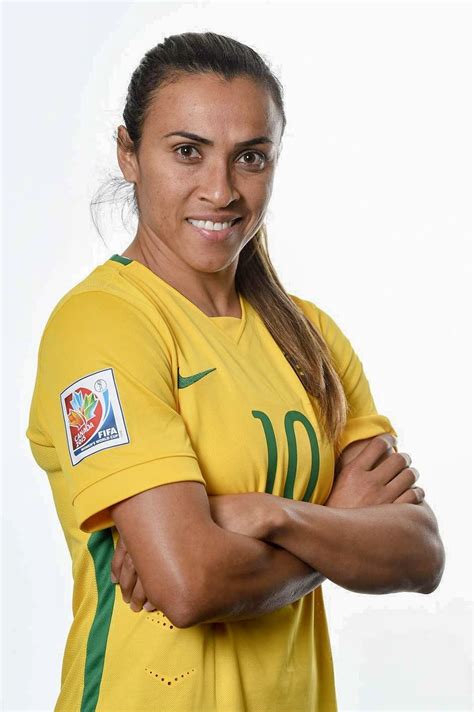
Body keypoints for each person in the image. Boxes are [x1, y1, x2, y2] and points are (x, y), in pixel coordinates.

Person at [26, 31, 445, 712]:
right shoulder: (103, 325)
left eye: (250, 157)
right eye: (187, 151)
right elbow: (190, 584)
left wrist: (267, 515)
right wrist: (338, 527)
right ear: (128, 154)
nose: (220, 190)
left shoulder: (308, 336)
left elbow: (420, 554)